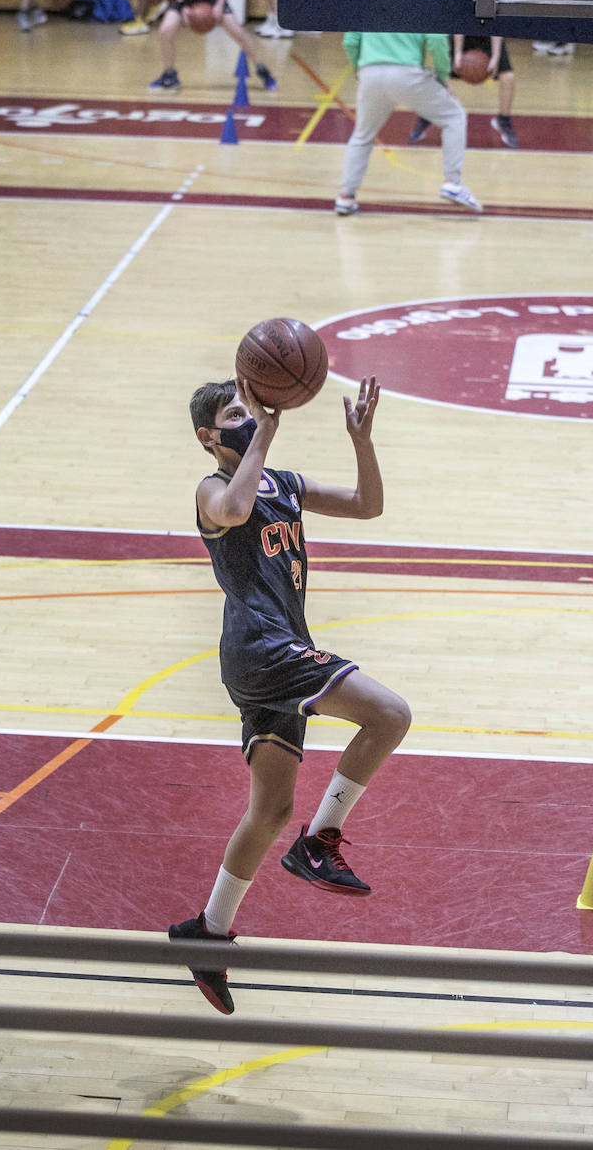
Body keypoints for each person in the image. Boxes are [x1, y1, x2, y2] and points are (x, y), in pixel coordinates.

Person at [168, 374, 411, 1014]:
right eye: (235, 413)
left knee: (270, 810)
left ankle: (207, 933)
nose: (250, 417)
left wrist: (363, 440)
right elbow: (234, 513)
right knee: (390, 715)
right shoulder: (213, 487)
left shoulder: (287, 484)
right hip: (262, 649)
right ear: (208, 436)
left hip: (276, 652)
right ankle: (320, 841)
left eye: (251, 409)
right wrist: (264, 437)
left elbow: (367, 505)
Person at [335, 0, 482, 215]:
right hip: (406, 74)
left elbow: (349, 41)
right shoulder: (422, 0)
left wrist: (360, 67)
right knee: (454, 117)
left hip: (370, 73)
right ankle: (453, 183)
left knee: (362, 136)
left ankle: (345, 196)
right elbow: (437, 43)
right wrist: (443, 78)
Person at [409, 34, 518, 149]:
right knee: (440, 75)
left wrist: (495, 57)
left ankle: (503, 120)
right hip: (462, 35)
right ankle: (427, 116)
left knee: (508, 77)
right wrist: (457, 53)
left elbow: (496, 25)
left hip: (488, 37)